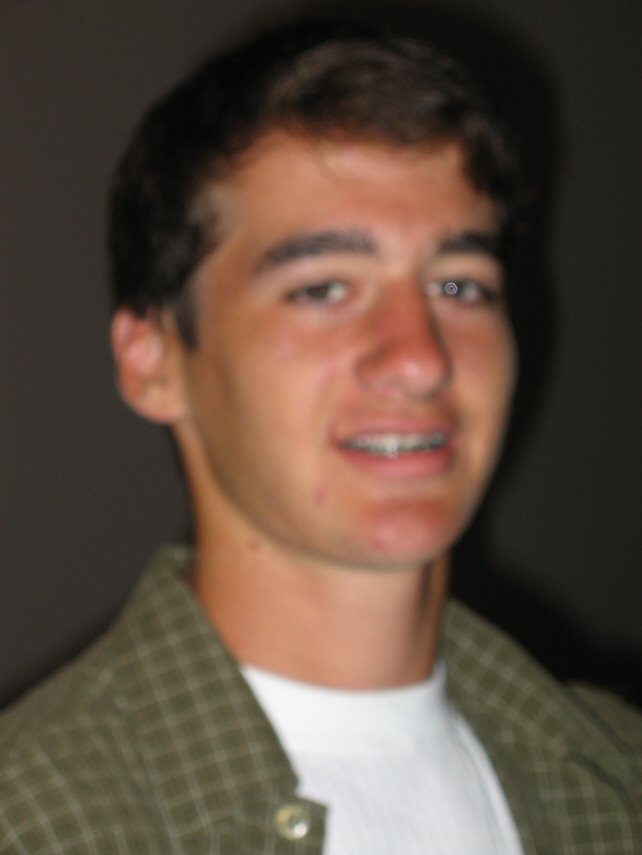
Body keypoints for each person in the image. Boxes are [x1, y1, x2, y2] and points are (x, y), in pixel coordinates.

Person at [0, 20, 639, 855]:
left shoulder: (616, 773)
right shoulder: (36, 821)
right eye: (324, 288)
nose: (419, 358)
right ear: (154, 360)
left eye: (459, 285)